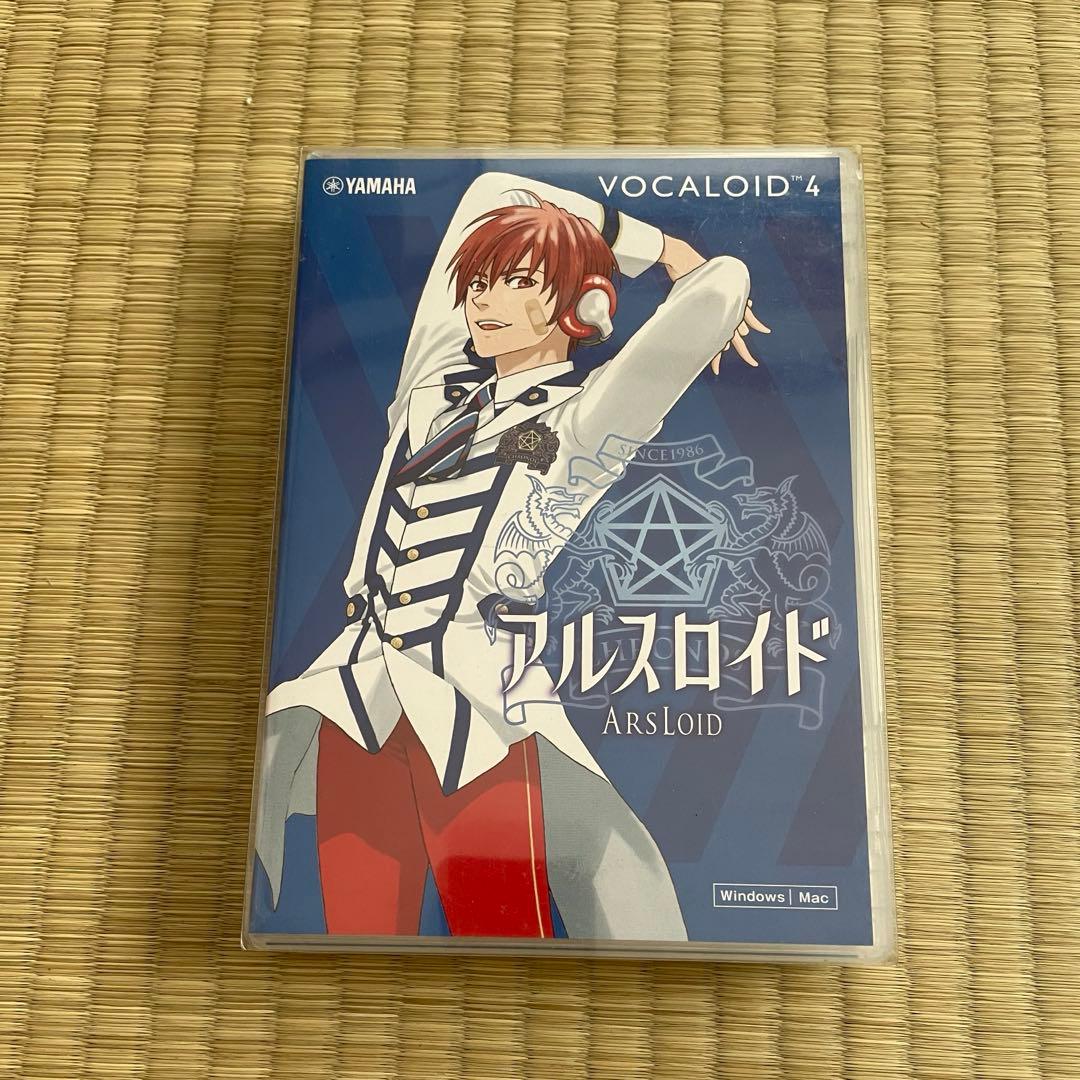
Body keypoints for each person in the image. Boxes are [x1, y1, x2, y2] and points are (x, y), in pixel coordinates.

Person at [253, 171, 768, 939]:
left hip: (478, 717)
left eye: (519, 283)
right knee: (357, 939)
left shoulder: (587, 423)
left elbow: (720, 289)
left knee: (502, 934)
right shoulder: (429, 391)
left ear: (584, 306)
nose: (484, 302)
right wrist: (656, 244)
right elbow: (490, 190)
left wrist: (686, 264)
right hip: (355, 702)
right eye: (479, 285)